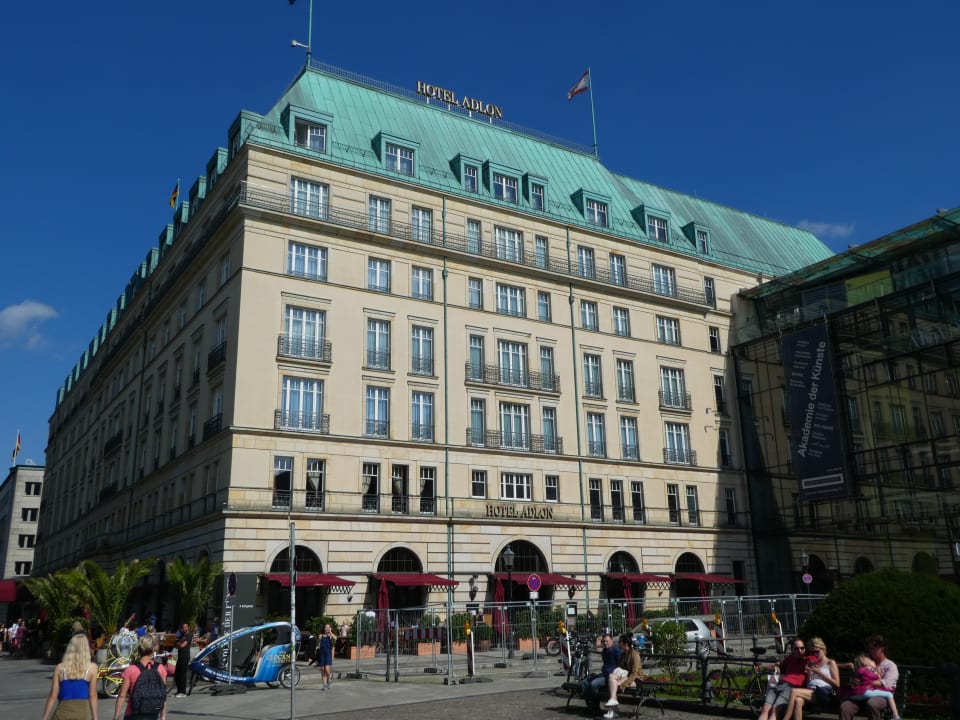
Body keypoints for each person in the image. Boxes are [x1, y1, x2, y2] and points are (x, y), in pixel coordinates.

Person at [839, 635, 900, 720]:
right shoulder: (866, 661)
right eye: (870, 648)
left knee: (872, 703)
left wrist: (863, 682)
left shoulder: (890, 666)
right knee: (845, 706)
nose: (870, 651)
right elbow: (856, 674)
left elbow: (885, 684)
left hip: (881, 696)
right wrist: (854, 680)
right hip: (862, 693)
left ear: (881, 648)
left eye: (873, 648)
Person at [40, 633, 99, 720]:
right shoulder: (92, 668)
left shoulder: (60, 668)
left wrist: (44, 717)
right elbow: (92, 695)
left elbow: (53, 695)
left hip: (63, 712)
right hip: (82, 712)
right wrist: (95, 717)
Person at [113, 635, 171, 720]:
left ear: (139, 650)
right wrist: (163, 716)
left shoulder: (131, 669)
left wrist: (116, 716)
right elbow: (163, 694)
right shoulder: (160, 668)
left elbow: (122, 696)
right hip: (153, 713)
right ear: (153, 650)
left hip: (134, 714)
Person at [781, 637, 840, 720]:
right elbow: (809, 682)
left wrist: (819, 673)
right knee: (798, 701)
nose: (815, 654)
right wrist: (809, 675)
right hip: (810, 692)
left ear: (823, 649)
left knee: (794, 691)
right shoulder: (813, 663)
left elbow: (837, 684)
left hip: (823, 692)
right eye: (812, 652)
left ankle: (786, 718)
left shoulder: (830, 662)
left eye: (817, 651)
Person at [757, 638, 811, 720]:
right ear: (792, 650)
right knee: (765, 708)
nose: (800, 650)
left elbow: (819, 660)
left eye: (802, 648)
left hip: (791, 688)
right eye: (796, 648)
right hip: (779, 685)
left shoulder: (808, 660)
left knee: (775, 710)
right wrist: (775, 666)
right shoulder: (790, 659)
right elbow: (780, 666)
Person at [604, 632, 644, 719]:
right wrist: (618, 677)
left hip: (636, 679)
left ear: (625, 644)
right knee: (611, 677)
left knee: (613, 684)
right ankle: (613, 701)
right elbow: (620, 669)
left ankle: (613, 711)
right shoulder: (623, 654)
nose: (619, 644)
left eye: (620, 642)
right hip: (625, 676)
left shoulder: (635, 655)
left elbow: (634, 673)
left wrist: (624, 684)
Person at [583, 632, 622, 715]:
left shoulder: (616, 651)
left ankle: (596, 708)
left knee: (593, 684)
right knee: (584, 683)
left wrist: (615, 675)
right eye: (604, 641)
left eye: (607, 641)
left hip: (610, 677)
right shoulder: (604, 651)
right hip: (603, 674)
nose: (605, 643)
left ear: (612, 641)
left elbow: (620, 666)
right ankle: (590, 706)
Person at [173, 622, 193, 698]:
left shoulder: (189, 635)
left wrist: (179, 644)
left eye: (185, 627)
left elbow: (182, 645)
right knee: (177, 674)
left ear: (188, 628)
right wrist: (178, 644)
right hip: (180, 656)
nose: (184, 629)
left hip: (185, 656)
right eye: (183, 627)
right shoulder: (181, 635)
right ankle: (179, 691)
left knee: (183, 674)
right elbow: (176, 644)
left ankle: (183, 692)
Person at [318, 622, 336, 690]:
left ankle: (330, 676)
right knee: (323, 670)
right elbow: (318, 645)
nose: (327, 628)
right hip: (322, 654)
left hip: (328, 654)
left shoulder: (330, 635)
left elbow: (335, 638)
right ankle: (324, 685)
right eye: (326, 627)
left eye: (329, 627)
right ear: (324, 628)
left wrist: (330, 632)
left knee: (327, 669)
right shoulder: (320, 636)